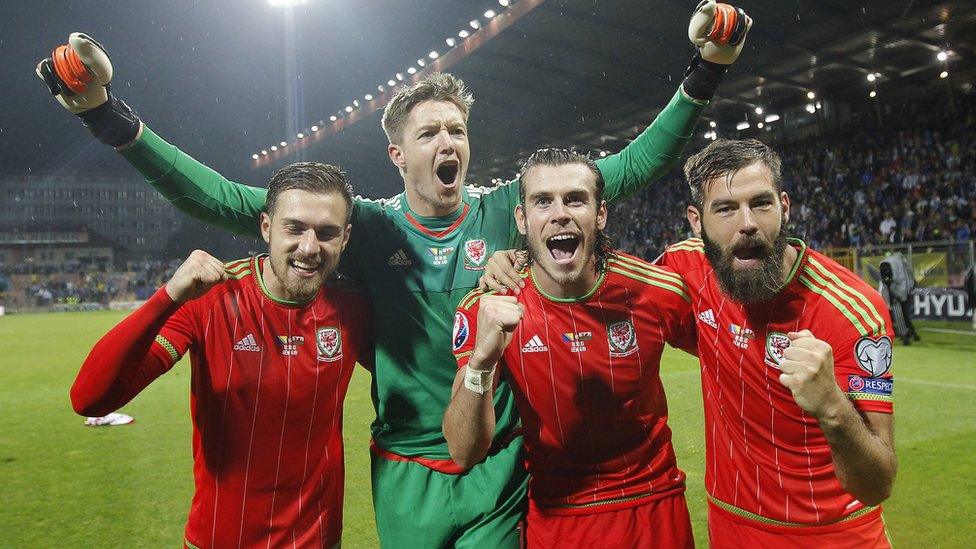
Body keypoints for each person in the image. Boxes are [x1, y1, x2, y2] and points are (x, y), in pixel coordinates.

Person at [42, 4, 751, 544]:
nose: (449, 142)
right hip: (403, 468)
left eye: (458, 131)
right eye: (430, 133)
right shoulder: (363, 227)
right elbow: (222, 198)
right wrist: (108, 119)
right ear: (396, 154)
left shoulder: (508, 210)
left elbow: (627, 169)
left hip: (498, 465)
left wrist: (705, 71)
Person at [481, 139, 898, 547]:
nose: (746, 223)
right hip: (731, 527)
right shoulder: (683, 274)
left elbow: (877, 484)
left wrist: (833, 408)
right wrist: (515, 258)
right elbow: (600, 277)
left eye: (761, 203)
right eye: (726, 208)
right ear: (697, 222)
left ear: (784, 207)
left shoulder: (852, 309)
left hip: (834, 535)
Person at [71, 163, 372, 548]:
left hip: (318, 540)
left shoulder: (353, 308)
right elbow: (90, 398)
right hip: (219, 538)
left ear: (345, 238)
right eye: (294, 228)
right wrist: (167, 298)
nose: (309, 248)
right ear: (266, 227)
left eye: (326, 233)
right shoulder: (211, 299)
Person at [444, 149, 698, 548]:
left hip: (653, 508)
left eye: (575, 199)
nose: (559, 213)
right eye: (543, 201)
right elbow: (462, 450)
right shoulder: (489, 309)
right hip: (559, 518)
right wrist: (481, 361)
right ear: (522, 220)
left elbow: (731, 355)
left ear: (600, 215)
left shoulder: (655, 290)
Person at [878, 252, 919, 345]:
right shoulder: (898, 264)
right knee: (903, 313)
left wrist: (891, 298)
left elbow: (886, 284)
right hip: (902, 290)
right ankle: (913, 333)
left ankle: (905, 336)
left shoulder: (891, 267)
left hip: (897, 292)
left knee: (899, 314)